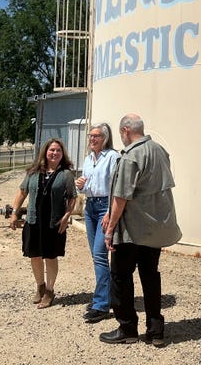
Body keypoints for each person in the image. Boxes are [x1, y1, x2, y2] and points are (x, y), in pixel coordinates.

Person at [99, 113, 182, 347]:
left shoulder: (131, 156)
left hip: (131, 232)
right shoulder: (159, 150)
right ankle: (155, 331)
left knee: (121, 278)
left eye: (121, 133)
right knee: (150, 277)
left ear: (125, 130)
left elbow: (121, 196)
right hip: (153, 230)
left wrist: (110, 228)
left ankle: (127, 328)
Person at [9, 137, 77, 309]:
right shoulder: (33, 172)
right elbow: (22, 192)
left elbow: (72, 197)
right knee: (35, 255)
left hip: (54, 223)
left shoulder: (66, 174)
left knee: (51, 256)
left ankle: (49, 290)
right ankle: (39, 286)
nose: (54, 153)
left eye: (58, 151)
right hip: (33, 221)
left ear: (63, 154)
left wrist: (67, 215)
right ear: (45, 152)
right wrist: (14, 212)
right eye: (51, 150)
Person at [75, 122, 119, 323]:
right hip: (90, 206)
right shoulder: (88, 159)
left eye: (96, 136)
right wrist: (81, 185)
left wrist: (110, 211)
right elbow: (85, 187)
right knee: (96, 255)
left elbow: (116, 186)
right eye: (90, 136)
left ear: (105, 138)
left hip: (104, 207)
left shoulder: (112, 157)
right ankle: (109, 297)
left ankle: (101, 305)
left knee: (100, 255)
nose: (92, 139)